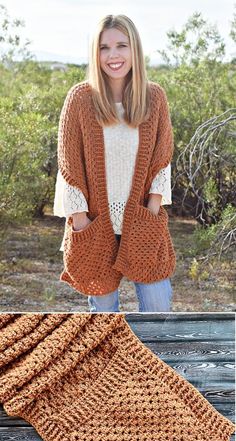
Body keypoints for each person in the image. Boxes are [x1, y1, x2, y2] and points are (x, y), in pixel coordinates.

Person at [53, 14, 176, 313]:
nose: (113, 55)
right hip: (95, 224)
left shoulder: (154, 97)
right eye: (104, 48)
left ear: (134, 49)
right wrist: (82, 222)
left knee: (158, 308)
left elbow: (162, 159)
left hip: (142, 220)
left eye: (121, 45)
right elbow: (68, 165)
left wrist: (152, 211)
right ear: (95, 54)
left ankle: (155, 360)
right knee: (105, 318)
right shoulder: (80, 99)